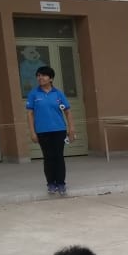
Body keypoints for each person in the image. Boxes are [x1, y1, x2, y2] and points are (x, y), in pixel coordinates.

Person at [26, 65, 75, 196]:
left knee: (58, 156)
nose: (40, 78)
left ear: (51, 78)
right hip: (42, 132)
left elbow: (68, 112)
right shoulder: (34, 94)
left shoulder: (58, 94)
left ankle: (61, 183)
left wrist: (71, 129)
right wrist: (32, 131)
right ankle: (51, 183)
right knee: (48, 158)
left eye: (43, 75)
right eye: (38, 75)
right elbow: (30, 114)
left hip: (59, 130)